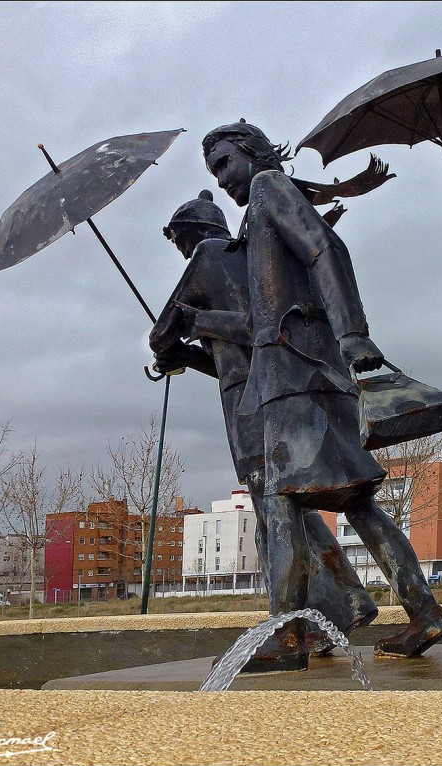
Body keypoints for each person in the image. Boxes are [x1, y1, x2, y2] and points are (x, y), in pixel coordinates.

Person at [189, 120, 442, 657]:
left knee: (282, 502)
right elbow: (271, 306)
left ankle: (286, 635)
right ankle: (424, 611)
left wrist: (354, 335)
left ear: (253, 152)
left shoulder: (268, 188)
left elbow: (324, 249)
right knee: (357, 500)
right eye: (213, 171)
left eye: (224, 163)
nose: (220, 178)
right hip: (309, 371)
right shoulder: (264, 204)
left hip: (295, 376)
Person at [150, 191, 377, 670]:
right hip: (272, 388)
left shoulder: (209, 254)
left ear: (194, 230)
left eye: (178, 239)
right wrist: (188, 353)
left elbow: (163, 330)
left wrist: (170, 340)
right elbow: (233, 353)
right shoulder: (254, 265)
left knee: (274, 514)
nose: (181, 249)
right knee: (286, 508)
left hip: (248, 405)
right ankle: (336, 605)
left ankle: (310, 620)